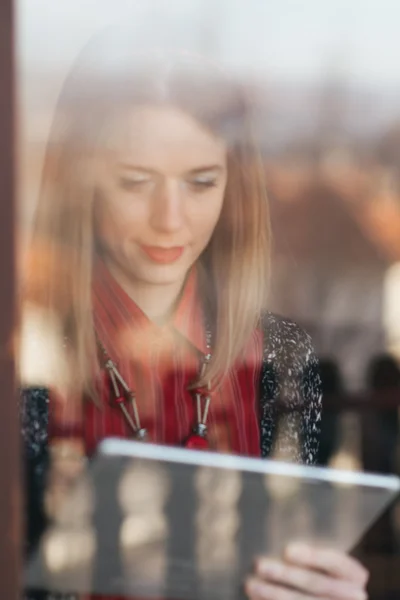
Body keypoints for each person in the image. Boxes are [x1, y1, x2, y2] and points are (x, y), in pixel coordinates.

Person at [19, 28, 369, 600]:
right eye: (135, 182)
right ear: (81, 184)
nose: (170, 219)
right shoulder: (27, 358)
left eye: (202, 183)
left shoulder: (282, 356)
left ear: (234, 189)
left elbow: (295, 556)